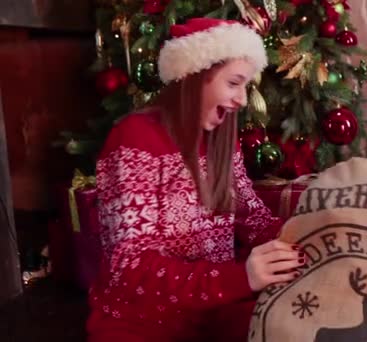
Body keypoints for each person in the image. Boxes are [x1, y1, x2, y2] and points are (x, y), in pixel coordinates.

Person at [87, 17, 304, 342]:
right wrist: (240, 278)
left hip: (211, 317)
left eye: (245, 86)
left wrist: (308, 240)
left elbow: (255, 221)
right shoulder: (134, 138)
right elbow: (131, 268)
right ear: (192, 75)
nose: (242, 100)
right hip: (142, 327)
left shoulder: (220, 141)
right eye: (233, 83)